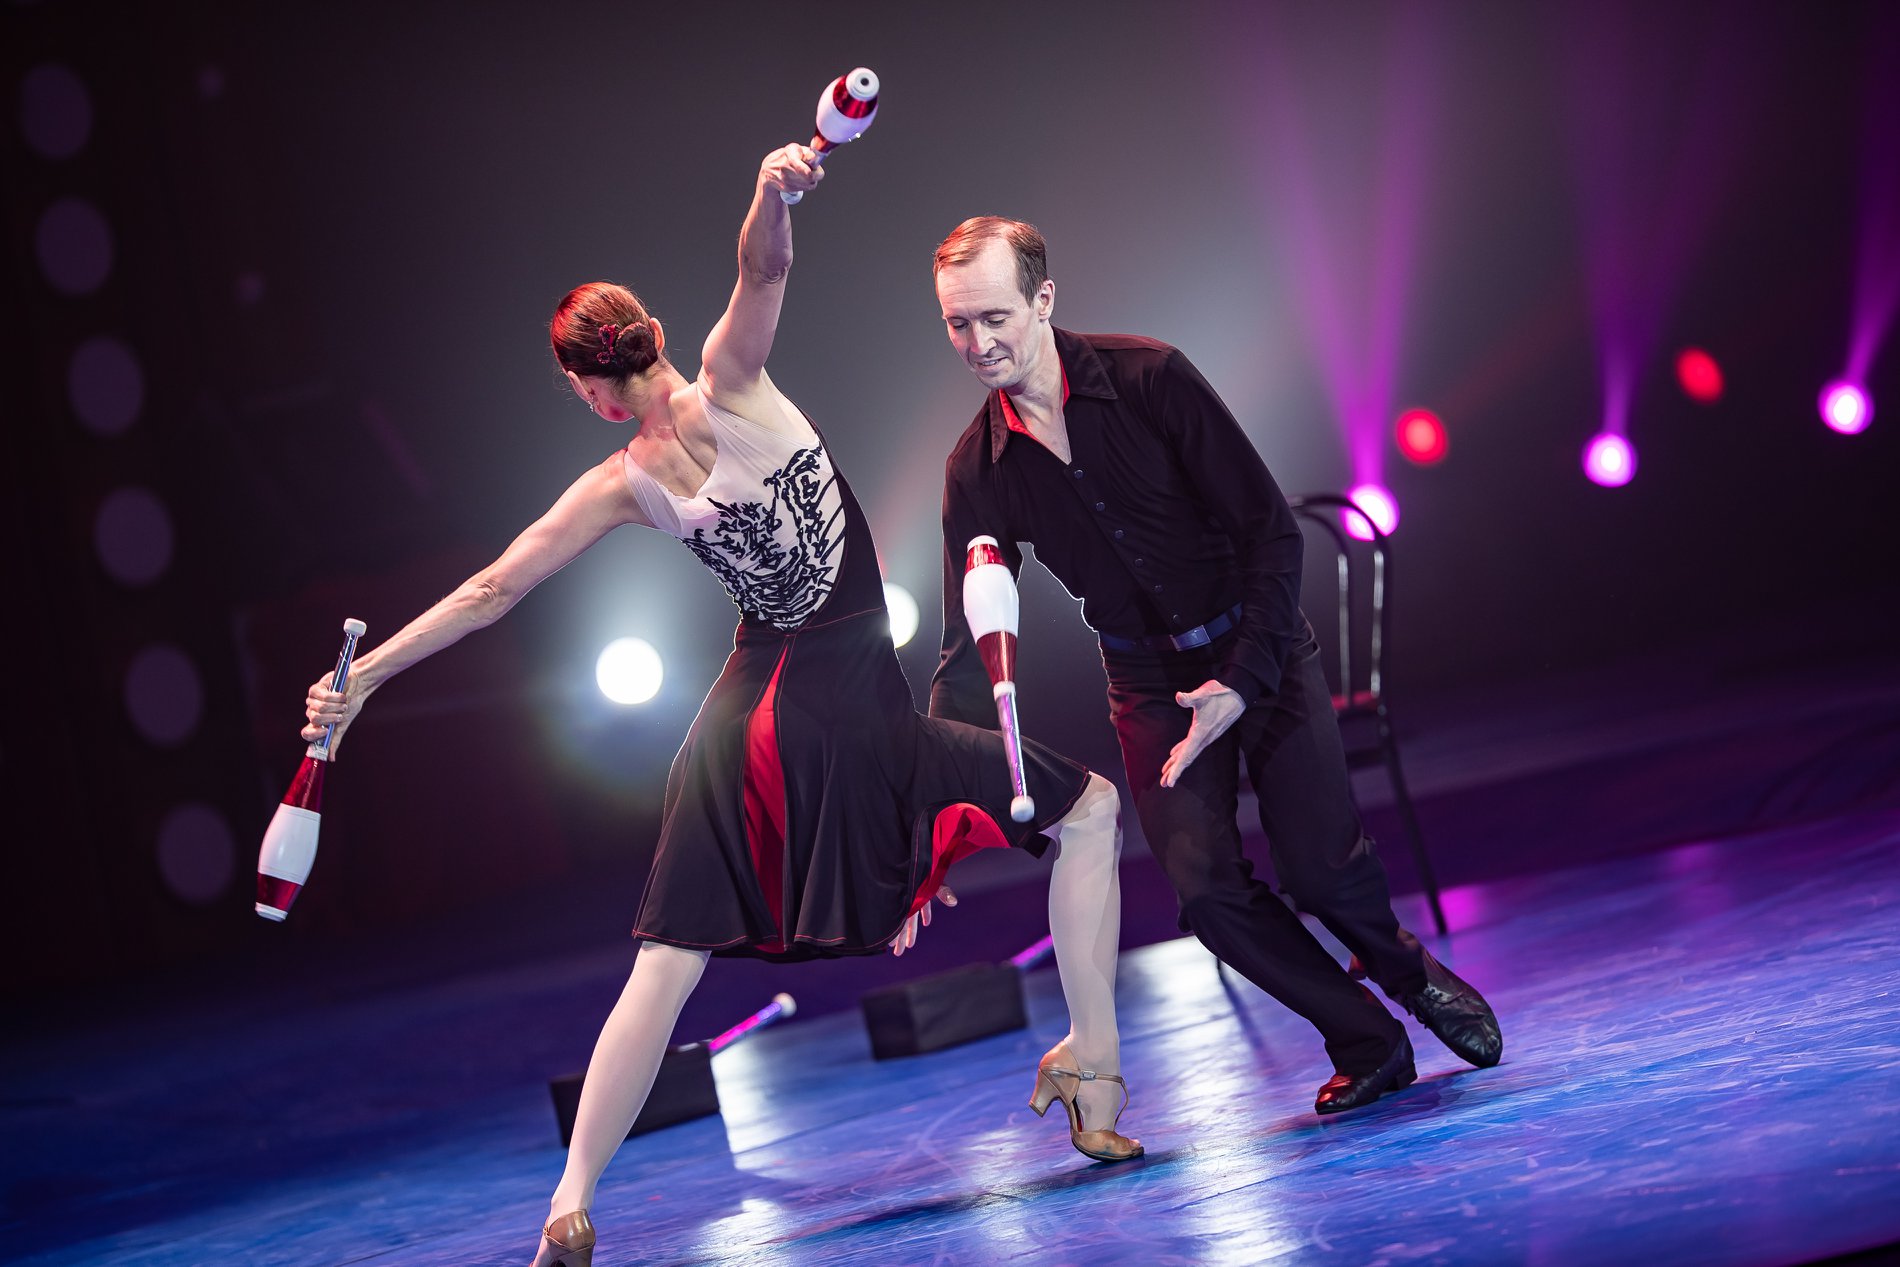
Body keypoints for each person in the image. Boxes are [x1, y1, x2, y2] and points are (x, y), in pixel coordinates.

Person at [302, 154, 1140, 1267]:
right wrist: (772, 190)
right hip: (846, 710)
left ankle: (570, 1200)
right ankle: (1091, 1063)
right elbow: (763, 268)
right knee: (1088, 811)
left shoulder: (618, 483)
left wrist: (364, 677)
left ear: (593, 390)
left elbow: (492, 591)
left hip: (737, 724)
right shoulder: (733, 378)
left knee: (665, 961)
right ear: (650, 336)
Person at [927, 216, 1501, 1120]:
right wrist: (933, 814)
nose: (978, 342)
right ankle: (1368, 1040)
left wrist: (1240, 679)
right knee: (1208, 895)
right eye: (958, 324)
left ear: (1043, 299)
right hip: (1147, 685)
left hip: (1255, 648)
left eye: (993, 316)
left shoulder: (1150, 377)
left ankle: (1404, 969)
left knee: (1320, 870)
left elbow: (1272, 534)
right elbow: (968, 651)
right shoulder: (977, 468)